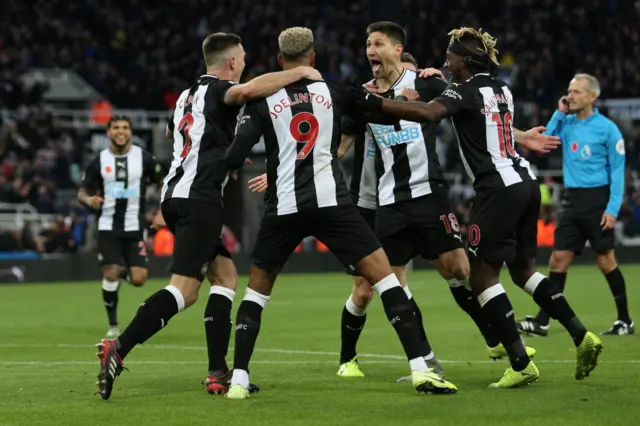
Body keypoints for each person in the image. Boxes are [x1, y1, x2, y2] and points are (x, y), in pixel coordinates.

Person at [354, 26, 603, 388]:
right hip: (526, 182)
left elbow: (429, 113)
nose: (445, 62)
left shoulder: (463, 89)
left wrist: (376, 102)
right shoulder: (500, 88)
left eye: (451, 57)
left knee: (482, 276)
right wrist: (521, 136)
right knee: (523, 273)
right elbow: (477, 116)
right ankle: (582, 336)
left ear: (466, 61)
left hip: (497, 190)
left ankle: (519, 362)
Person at [223, 26, 458, 400]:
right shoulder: (339, 91)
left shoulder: (262, 100)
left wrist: (260, 164)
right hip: (333, 205)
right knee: (386, 281)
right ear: (314, 58)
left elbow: (235, 157)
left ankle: (237, 380)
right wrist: (425, 108)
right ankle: (420, 370)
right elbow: (382, 109)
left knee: (256, 294)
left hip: (283, 208)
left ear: (281, 61)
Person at [94, 32, 322, 400]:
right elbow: (245, 93)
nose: (245, 63)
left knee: (226, 277)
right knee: (184, 291)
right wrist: (300, 74)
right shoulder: (220, 90)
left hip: (178, 193)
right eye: (243, 58)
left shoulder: (185, 97)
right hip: (199, 198)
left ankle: (217, 372)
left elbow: (177, 134)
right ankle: (117, 348)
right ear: (232, 62)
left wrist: (222, 149)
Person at [336, 22, 535, 382]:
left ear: (398, 51)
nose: (370, 50)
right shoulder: (361, 96)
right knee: (384, 285)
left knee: (461, 270)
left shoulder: (425, 84)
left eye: (378, 43)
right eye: (367, 44)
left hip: (431, 196)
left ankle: (498, 340)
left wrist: (519, 136)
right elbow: (336, 147)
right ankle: (422, 361)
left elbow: (475, 112)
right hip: (388, 203)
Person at [517, 74, 632, 336]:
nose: (571, 96)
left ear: (593, 97)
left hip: (597, 200)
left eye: (578, 92)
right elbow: (545, 140)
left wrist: (612, 209)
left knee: (605, 260)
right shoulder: (566, 123)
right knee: (558, 259)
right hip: (571, 199)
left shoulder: (608, 129)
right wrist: (559, 113)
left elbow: (617, 171)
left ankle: (625, 320)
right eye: (569, 91)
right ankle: (542, 322)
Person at [78, 115, 163, 339]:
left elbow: (163, 183)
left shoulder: (144, 158)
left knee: (139, 279)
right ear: (108, 132)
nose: (120, 131)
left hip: (135, 226)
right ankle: (113, 323)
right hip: (107, 226)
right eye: (116, 127)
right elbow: (82, 192)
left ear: (130, 132)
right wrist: (90, 201)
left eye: (125, 127)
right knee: (111, 272)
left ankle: (117, 272)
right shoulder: (99, 160)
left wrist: (162, 211)